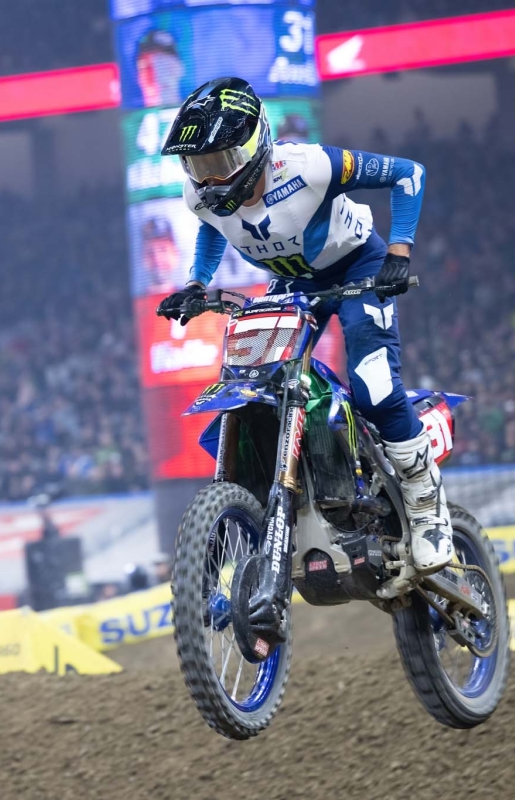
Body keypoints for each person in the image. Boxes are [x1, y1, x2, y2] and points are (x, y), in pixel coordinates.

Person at [157, 77, 453, 571]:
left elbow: (408, 174)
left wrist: (399, 253)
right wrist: (195, 284)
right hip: (292, 284)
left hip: (357, 267)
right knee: (256, 382)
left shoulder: (309, 166)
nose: (209, 179)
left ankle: (427, 506)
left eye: (220, 162)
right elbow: (213, 226)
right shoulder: (199, 196)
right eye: (198, 166)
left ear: (255, 145)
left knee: (374, 386)